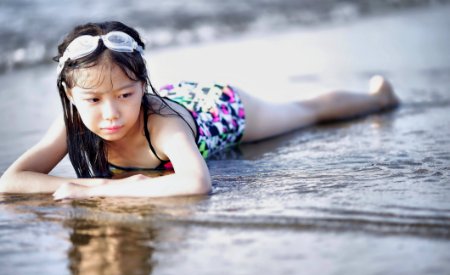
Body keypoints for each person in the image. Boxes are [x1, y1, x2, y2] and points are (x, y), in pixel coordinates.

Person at [0, 21, 399, 199]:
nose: (111, 114)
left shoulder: (163, 124)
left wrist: (107, 190)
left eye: (125, 95)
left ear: (141, 86)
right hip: (177, 98)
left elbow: (195, 183)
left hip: (216, 109)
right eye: (93, 100)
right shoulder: (73, 122)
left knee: (303, 112)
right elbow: (11, 182)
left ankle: (380, 98)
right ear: (71, 97)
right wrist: (97, 187)